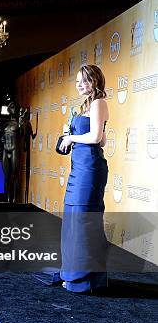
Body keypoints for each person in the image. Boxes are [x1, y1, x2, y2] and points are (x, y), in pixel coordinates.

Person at [56, 64, 109, 293]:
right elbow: (104, 139)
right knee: (74, 219)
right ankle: (80, 276)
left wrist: (71, 138)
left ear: (94, 81)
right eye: (77, 81)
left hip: (89, 168)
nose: (79, 85)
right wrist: (71, 136)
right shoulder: (86, 105)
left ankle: (81, 280)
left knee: (83, 220)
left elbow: (96, 137)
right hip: (80, 167)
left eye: (84, 81)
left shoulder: (99, 103)